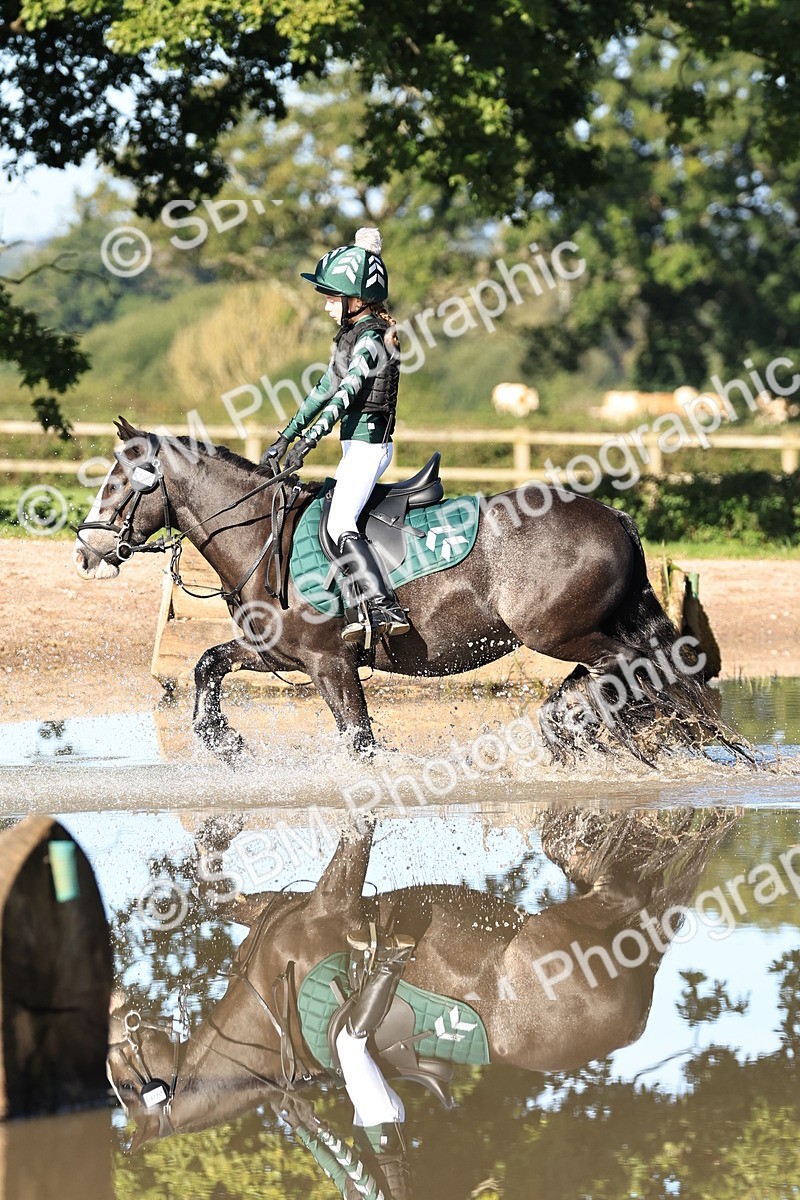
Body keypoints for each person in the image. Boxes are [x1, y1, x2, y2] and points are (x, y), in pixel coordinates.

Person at [262, 228, 409, 643]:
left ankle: (383, 605)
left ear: (355, 299)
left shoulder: (371, 340)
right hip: (354, 446)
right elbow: (322, 390)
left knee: (340, 521)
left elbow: (345, 397)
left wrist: (310, 443)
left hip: (369, 446)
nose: (326, 305)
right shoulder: (351, 335)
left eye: (331, 298)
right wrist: (286, 435)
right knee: (331, 517)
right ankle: (356, 605)